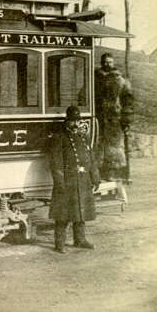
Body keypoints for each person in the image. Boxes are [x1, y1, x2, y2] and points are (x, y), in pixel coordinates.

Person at [48, 106, 100, 254]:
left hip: (82, 179)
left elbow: (91, 158)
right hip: (67, 181)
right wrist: (60, 183)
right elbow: (55, 162)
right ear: (67, 121)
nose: (75, 124)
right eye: (72, 121)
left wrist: (95, 177)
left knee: (80, 212)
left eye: (77, 120)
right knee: (63, 215)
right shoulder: (59, 137)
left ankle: (80, 240)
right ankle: (60, 244)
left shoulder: (83, 137)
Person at [94, 53, 134, 185]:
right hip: (98, 118)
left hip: (115, 119)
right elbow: (84, 95)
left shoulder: (121, 81)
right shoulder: (94, 79)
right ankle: (98, 175)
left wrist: (126, 120)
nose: (107, 64)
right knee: (99, 147)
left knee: (115, 148)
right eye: (105, 62)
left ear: (113, 63)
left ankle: (116, 176)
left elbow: (128, 101)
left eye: (110, 62)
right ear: (101, 62)